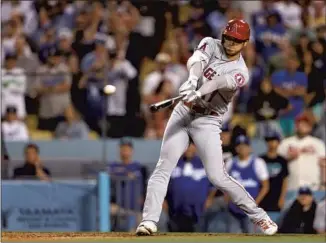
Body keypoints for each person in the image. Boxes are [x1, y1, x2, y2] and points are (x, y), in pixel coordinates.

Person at [136, 19, 278, 236]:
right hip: (184, 111)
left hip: (208, 121)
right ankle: (148, 221)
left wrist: (200, 92)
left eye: (237, 40)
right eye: (229, 37)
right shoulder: (210, 43)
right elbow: (197, 59)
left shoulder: (241, 71)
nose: (231, 43)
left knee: (217, 176)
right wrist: (193, 80)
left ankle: (260, 217)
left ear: (245, 43)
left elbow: (220, 82)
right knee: (163, 167)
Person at [164, 142, 216, 232]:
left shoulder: (204, 164)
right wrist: (163, 201)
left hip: (199, 212)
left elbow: (214, 184)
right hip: (176, 213)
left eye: (191, 146)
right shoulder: (172, 164)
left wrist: (210, 198)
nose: (188, 149)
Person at [225, 135, 270, 233]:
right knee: (232, 238)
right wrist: (227, 198)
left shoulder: (258, 162)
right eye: (239, 146)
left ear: (249, 147)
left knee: (251, 237)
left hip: (251, 210)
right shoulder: (230, 162)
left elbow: (265, 186)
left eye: (244, 145)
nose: (242, 148)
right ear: (236, 148)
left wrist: (255, 202)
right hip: (233, 208)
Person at [278, 114, 326, 191]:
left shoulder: (318, 143)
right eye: (301, 123)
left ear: (310, 127)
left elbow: (323, 164)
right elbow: (278, 163)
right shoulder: (285, 142)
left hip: (313, 185)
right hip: (291, 185)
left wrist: (324, 183)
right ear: (296, 125)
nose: (303, 126)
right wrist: (290, 157)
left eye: (306, 124)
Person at [259, 131, 289, 212]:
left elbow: (285, 181)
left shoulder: (283, 160)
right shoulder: (260, 160)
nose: (271, 143)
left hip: (276, 197)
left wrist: (282, 198)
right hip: (262, 198)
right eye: (269, 141)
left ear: (278, 143)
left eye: (273, 140)